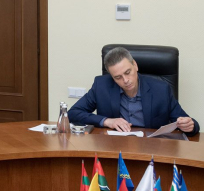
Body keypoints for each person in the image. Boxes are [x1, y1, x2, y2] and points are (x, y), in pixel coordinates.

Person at [68, 47, 199, 136]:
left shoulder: (161, 89)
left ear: (135, 65)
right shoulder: (101, 86)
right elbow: (73, 113)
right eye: (118, 77)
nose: (125, 80)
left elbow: (188, 123)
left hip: (151, 149)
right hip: (114, 148)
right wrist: (107, 121)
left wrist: (190, 126)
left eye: (127, 72)